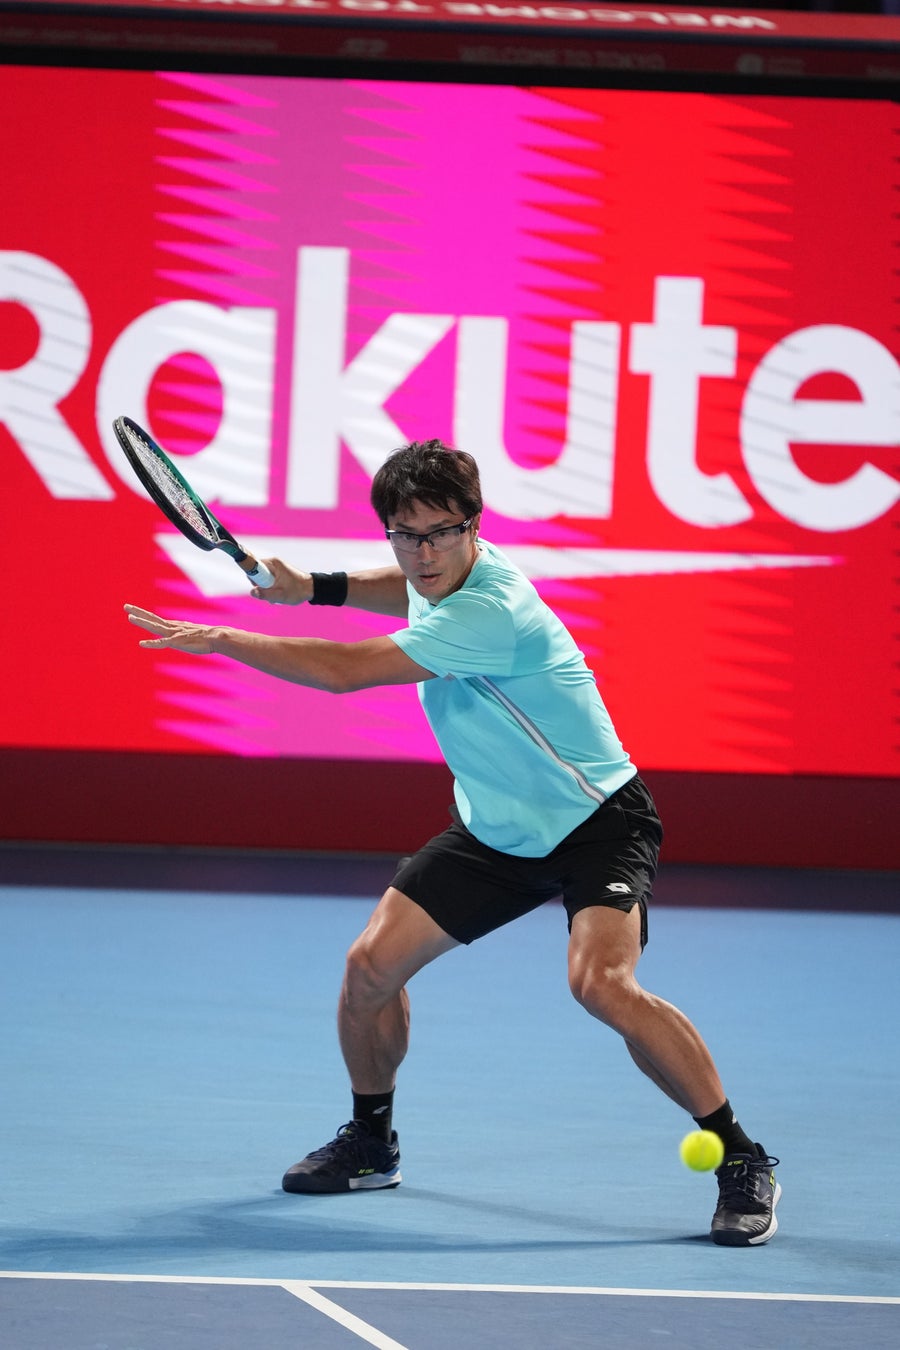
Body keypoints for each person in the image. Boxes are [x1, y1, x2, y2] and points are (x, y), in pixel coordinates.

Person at [125, 439, 780, 1247]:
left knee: (601, 984)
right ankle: (371, 1143)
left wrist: (228, 641)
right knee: (369, 969)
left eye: (441, 533)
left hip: (596, 822)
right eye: (406, 535)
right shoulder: (435, 573)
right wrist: (313, 587)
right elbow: (401, 587)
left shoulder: (491, 610)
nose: (424, 554)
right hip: (496, 829)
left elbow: (345, 672)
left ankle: (741, 1156)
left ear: (475, 525)